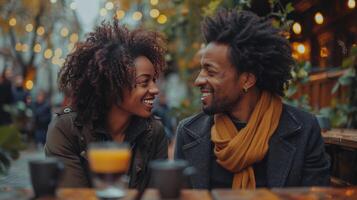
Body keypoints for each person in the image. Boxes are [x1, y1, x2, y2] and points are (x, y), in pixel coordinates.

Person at [174, 9, 330, 189]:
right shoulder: (188, 133)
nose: (198, 80)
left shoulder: (304, 130)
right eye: (201, 70)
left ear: (247, 80)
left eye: (211, 71)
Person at [45, 21, 168, 190]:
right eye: (144, 82)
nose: (155, 90)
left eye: (154, 80)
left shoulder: (154, 132)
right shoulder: (66, 129)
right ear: (112, 86)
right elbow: (74, 195)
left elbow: (157, 195)